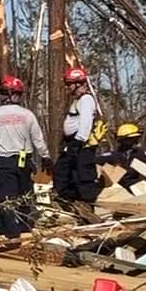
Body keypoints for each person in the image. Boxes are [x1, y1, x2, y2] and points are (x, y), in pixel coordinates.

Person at [0, 75, 49, 239]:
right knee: (24, 196)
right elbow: (38, 139)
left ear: (4, 94)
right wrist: (45, 157)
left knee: (6, 198)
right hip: (24, 160)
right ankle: (25, 228)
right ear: (17, 94)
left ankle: (11, 231)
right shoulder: (28, 115)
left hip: (4, 161)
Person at [54, 65, 104, 205]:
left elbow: (85, 122)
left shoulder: (86, 100)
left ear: (78, 83)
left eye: (69, 84)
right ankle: (72, 202)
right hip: (75, 144)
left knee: (82, 177)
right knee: (65, 174)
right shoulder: (79, 100)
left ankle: (86, 204)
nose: (67, 87)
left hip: (81, 145)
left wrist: (78, 142)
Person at [101, 122, 146, 191]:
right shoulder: (112, 156)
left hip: (136, 189)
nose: (136, 141)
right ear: (123, 140)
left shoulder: (139, 154)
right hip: (115, 191)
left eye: (136, 139)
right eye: (133, 139)